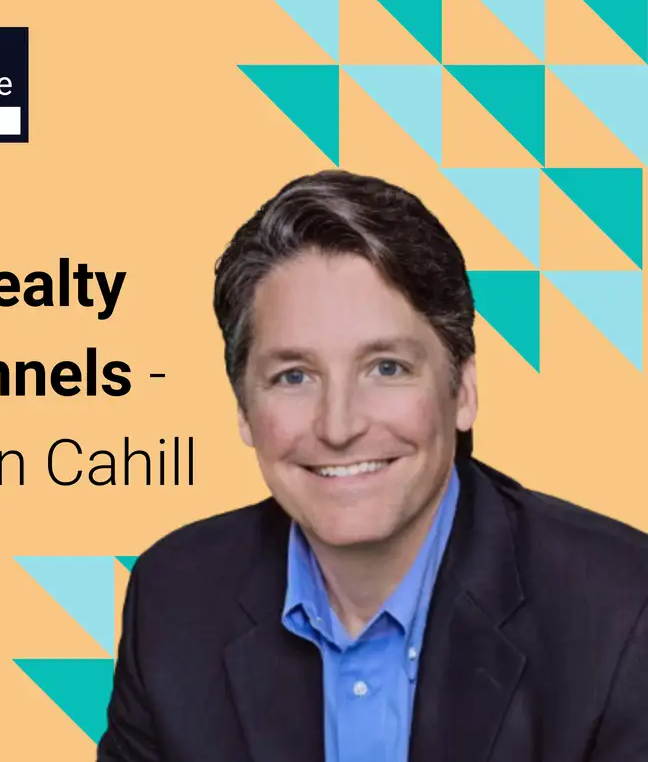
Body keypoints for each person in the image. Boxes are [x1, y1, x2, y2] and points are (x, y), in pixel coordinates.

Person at [97, 170, 648, 762]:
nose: (339, 427)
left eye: (386, 368)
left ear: (463, 389)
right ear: (243, 409)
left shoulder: (622, 611)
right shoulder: (173, 598)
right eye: (294, 376)